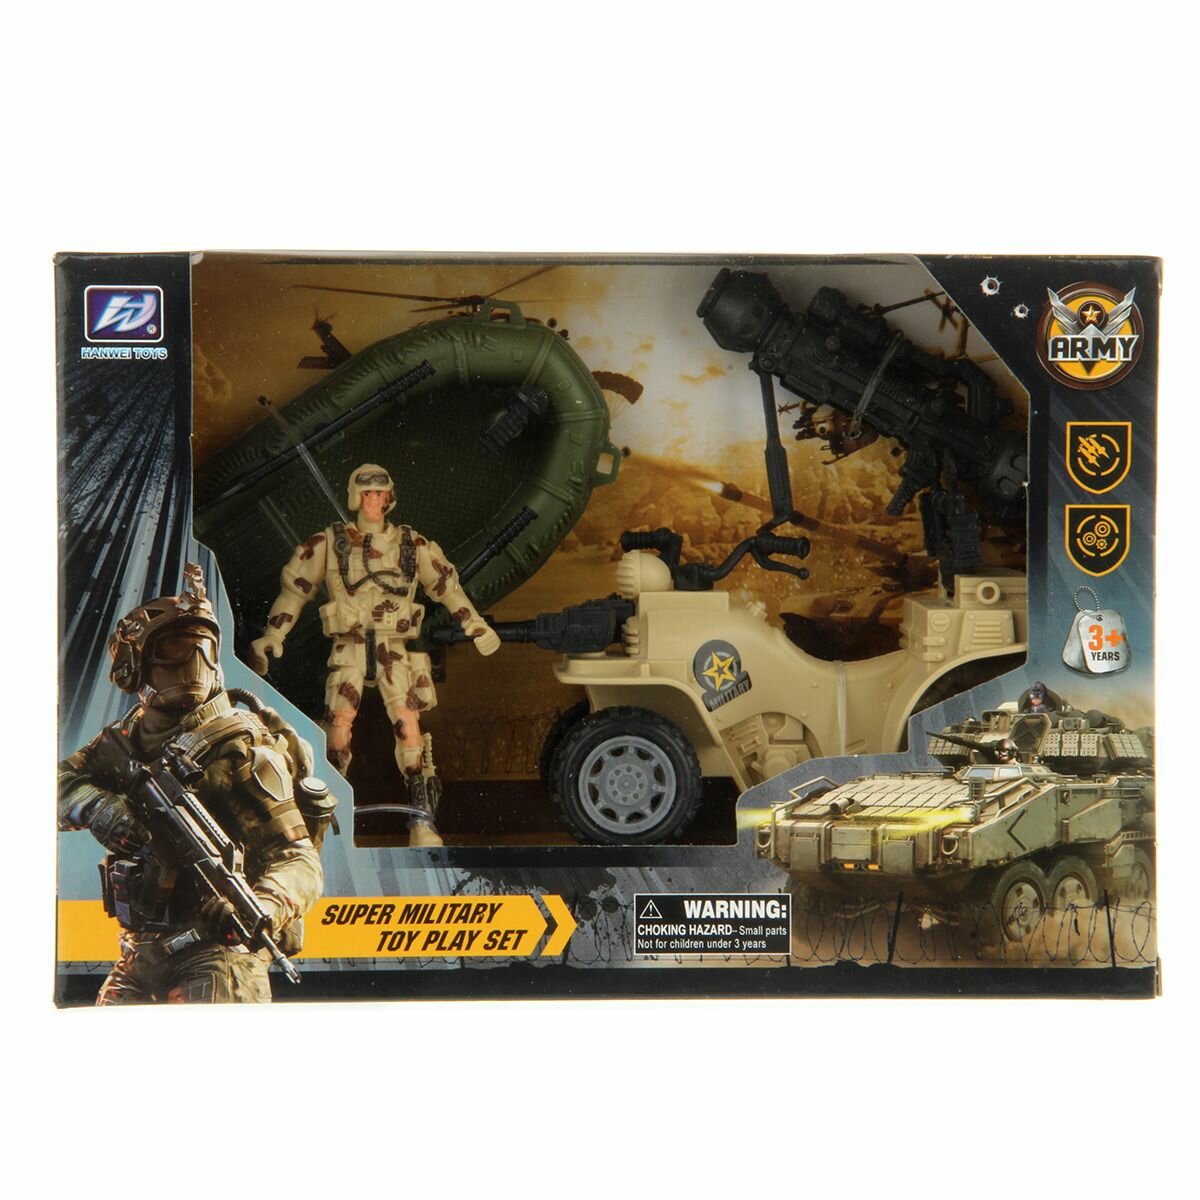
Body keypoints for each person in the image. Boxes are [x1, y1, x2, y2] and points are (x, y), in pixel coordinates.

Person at [58, 564, 325, 1004]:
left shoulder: (240, 747)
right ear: (133, 665)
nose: (193, 662)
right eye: (175, 648)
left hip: (218, 955)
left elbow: (298, 859)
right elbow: (50, 785)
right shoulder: (122, 741)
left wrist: (262, 906)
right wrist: (100, 808)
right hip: (140, 955)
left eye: (203, 647)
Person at [250, 463, 500, 847]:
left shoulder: (412, 545)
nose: (373, 500)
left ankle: (422, 821)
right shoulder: (330, 542)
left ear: (390, 498)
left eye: (380, 493)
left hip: (393, 649)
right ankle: (324, 824)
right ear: (355, 497)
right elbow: (295, 589)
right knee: (336, 732)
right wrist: (274, 633)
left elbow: (447, 586)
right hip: (349, 647)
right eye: (367, 493)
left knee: (409, 728)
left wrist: (476, 624)